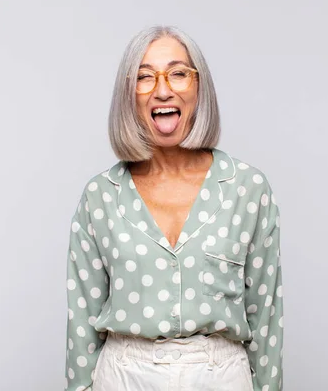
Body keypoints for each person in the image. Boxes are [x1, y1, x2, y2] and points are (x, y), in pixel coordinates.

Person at [65, 25, 283, 391]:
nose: (162, 89)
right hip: (123, 377)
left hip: (221, 376)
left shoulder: (248, 188)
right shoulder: (100, 196)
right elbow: (82, 322)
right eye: (144, 77)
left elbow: (266, 318)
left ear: (199, 88)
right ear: (128, 94)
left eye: (179, 73)